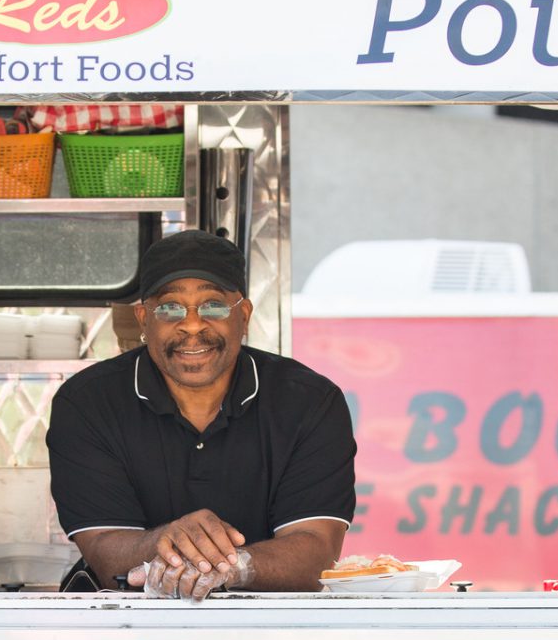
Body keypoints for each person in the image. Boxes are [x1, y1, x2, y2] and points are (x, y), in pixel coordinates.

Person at [47, 230, 356, 600]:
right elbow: (104, 549)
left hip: (272, 630)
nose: (192, 325)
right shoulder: (88, 402)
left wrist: (230, 567)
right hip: (124, 631)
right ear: (144, 318)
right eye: (170, 308)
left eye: (212, 306)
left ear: (243, 315)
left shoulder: (309, 401)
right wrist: (168, 541)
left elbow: (316, 552)